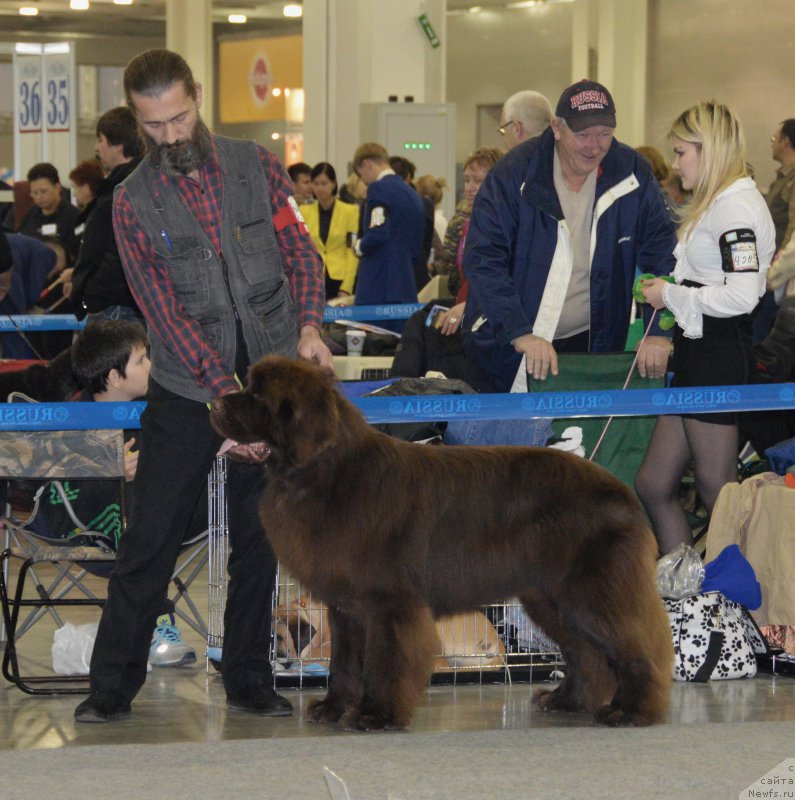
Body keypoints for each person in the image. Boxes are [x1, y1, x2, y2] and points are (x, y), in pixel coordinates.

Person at [73, 48, 331, 724]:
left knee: (259, 540)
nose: (170, 137)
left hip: (274, 382)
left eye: (179, 118)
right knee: (150, 539)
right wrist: (228, 406)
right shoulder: (131, 203)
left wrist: (308, 327)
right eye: (153, 126)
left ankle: (248, 676)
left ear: (196, 96)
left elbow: (299, 252)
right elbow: (164, 313)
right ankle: (110, 688)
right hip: (194, 392)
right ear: (138, 119)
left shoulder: (258, 168)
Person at [462, 79, 677, 400]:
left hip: (593, 346)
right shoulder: (515, 173)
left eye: (605, 134)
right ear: (557, 128)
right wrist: (519, 332)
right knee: (510, 446)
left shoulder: (631, 173)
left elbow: (661, 254)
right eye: (583, 135)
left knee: (579, 442)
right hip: (511, 343)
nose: (594, 146)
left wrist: (659, 331)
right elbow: (483, 257)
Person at [636, 100, 775, 555]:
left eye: (681, 152)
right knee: (655, 484)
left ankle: (743, 605)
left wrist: (670, 295)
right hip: (697, 354)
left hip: (717, 356)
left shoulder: (736, 212)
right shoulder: (718, 204)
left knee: (720, 493)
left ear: (709, 149)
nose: (675, 165)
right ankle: (689, 592)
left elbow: (741, 296)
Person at [22, 320, 198, 667]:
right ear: (116, 377)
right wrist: (108, 471)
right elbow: (47, 488)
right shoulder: (67, 421)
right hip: (81, 530)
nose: (153, 366)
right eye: (143, 360)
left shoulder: (158, 413)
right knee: (130, 499)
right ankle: (156, 622)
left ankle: (154, 623)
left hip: (154, 529)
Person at [61, 107, 143, 322]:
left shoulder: (122, 192)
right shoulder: (125, 186)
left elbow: (115, 254)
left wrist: (93, 295)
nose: (97, 147)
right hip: (122, 304)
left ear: (117, 144)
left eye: (100, 140)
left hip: (117, 307)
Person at [351, 142, 425, 306]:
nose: (363, 179)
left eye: (361, 173)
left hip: (379, 285)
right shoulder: (412, 193)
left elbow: (378, 232)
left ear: (366, 164)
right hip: (405, 282)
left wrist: (359, 246)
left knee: (372, 331)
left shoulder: (378, 188)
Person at [302, 162, 359, 301]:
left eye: (324, 183)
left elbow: (352, 251)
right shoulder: (303, 211)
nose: (320, 188)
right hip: (313, 278)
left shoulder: (350, 211)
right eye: (315, 183)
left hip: (340, 279)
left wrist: (346, 287)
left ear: (333, 184)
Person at [17, 162, 81, 261]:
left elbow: (76, 255)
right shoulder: (31, 214)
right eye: (34, 193)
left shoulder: (73, 216)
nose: (39, 197)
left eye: (43, 191)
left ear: (57, 187)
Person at [389, 155, 434, 292]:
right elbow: (427, 242)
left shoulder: (382, 202)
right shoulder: (424, 204)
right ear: (409, 177)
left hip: (396, 273)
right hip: (416, 271)